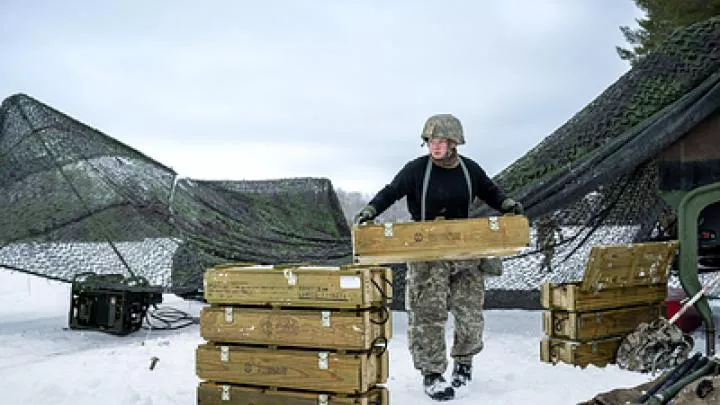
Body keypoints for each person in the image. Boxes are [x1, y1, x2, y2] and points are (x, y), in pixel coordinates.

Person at [353, 114, 523, 401]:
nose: (435, 146)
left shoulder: (470, 170)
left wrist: (506, 204)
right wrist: (370, 211)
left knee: (470, 314)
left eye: (441, 141)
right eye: (431, 141)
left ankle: (464, 364)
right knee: (427, 315)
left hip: (466, 253)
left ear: (454, 142)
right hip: (426, 254)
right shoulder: (416, 170)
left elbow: (491, 192)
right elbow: (390, 192)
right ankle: (431, 373)